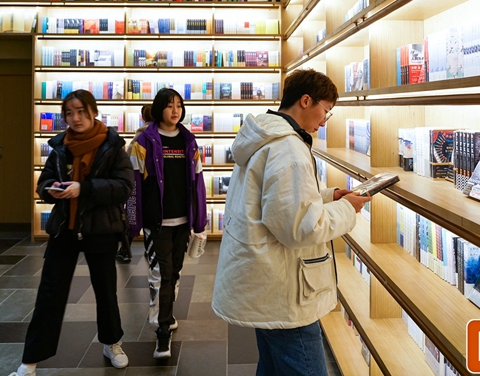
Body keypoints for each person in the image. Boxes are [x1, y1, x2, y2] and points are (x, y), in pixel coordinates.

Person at [211, 68, 372, 376]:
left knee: (272, 366)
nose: (325, 121)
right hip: (285, 291)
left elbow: (274, 202)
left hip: (265, 280)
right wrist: (347, 209)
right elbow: (300, 227)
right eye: (326, 111)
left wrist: (328, 196)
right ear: (306, 101)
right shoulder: (288, 147)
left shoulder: (267, 137)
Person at [10, 90, 135, 376]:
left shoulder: (112, 145)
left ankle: (112, 343)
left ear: (93, 112)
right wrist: (52, 189)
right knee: (50, 294)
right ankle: (30, 361)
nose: (75, 118)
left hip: (101, 229)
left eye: (80, 111)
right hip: (65, 228)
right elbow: (43, 183)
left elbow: (124, 187)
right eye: (69, 113)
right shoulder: (60, 147)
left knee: (105, 291)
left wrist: (84, 188)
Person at [128, 88, 207, 359]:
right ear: (159, 108)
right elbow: (134, 185)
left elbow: (198, 183)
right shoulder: (144, 142)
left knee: (174, 274)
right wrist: (133, 222)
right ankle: (163, 334)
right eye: (170, 105)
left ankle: (167, 315)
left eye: (179, 105)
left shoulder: (189, 141)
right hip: (157, 222)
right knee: (162, 275)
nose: (175, 111)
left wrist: (200, 221)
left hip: (182, 221)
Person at [117, 104, 153, 263]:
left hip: (136, 182)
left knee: (132, 215)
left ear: (143, 117)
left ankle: (125, 250)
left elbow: (129, 159)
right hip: (152, 184)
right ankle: (149, 248)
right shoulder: (158, 134)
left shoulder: (140, 135)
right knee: (149, 217)